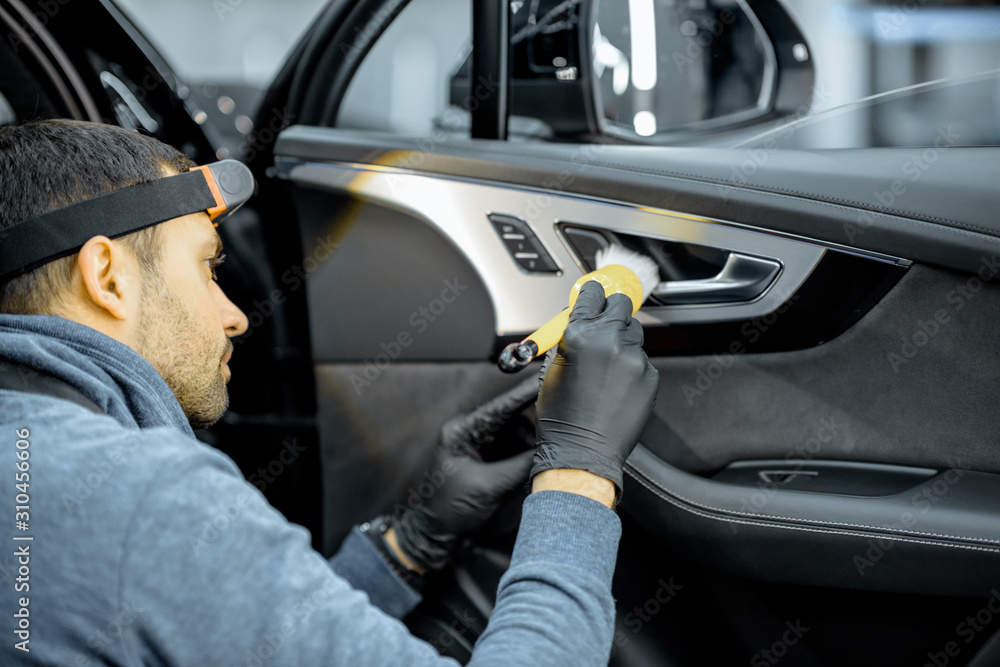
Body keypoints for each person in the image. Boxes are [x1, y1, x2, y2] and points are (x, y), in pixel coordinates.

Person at [0, 119, 659, 665]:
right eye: (207, 266)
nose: (234, 315)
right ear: (107, 277)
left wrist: (409, 545)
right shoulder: (143, 498)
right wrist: (578, 474)